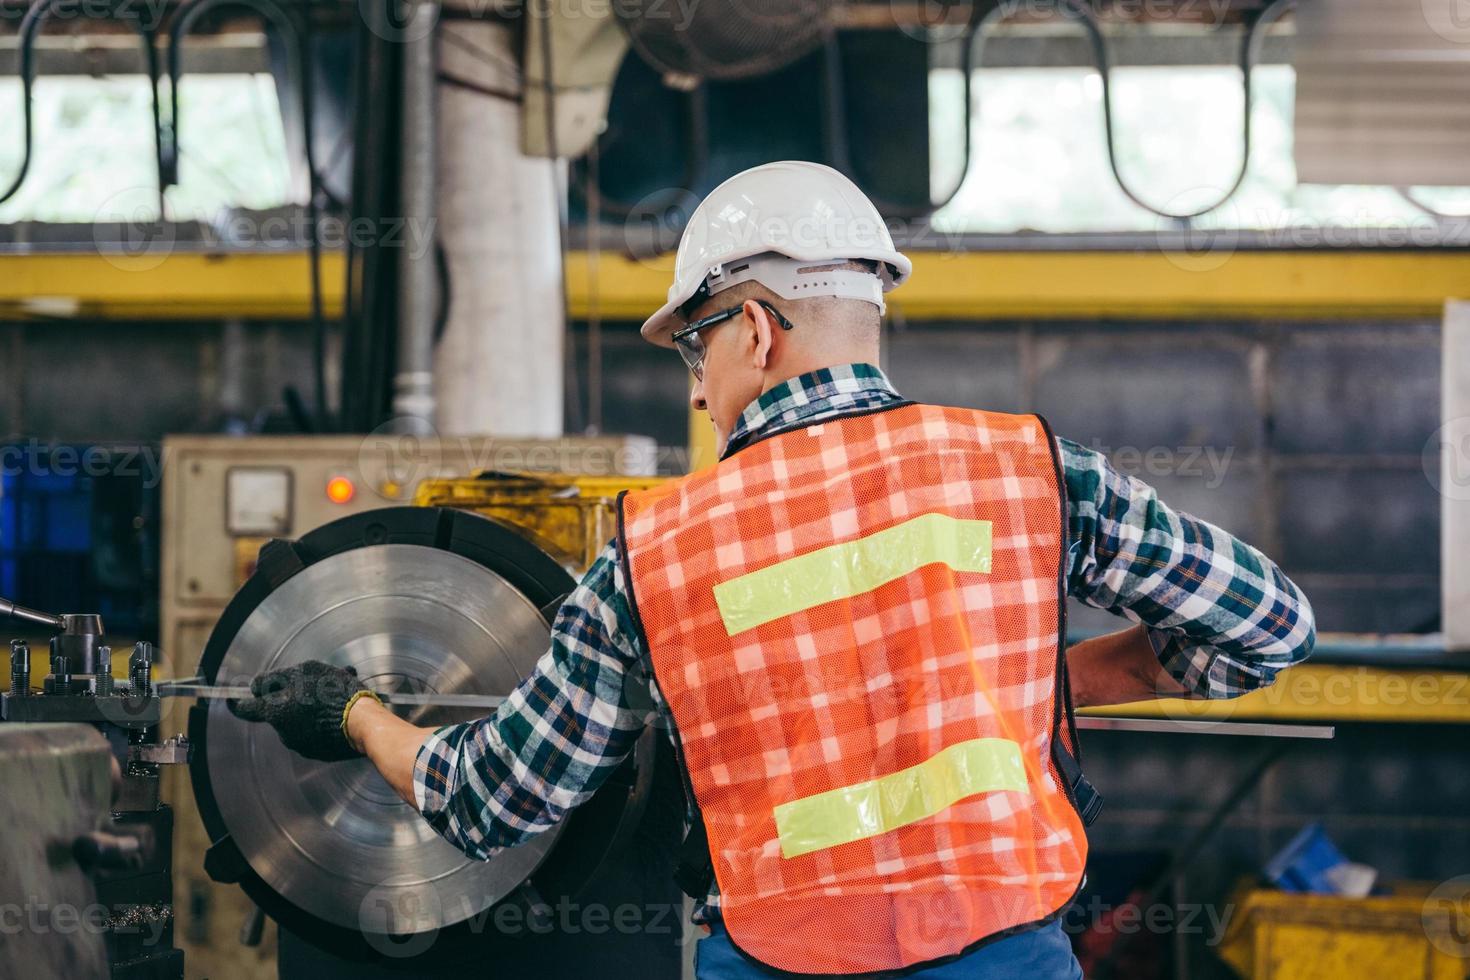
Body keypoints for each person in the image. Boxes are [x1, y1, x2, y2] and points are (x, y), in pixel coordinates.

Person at [231, 161, 1315, 977]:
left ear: (754, 327)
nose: (698, 394)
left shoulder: (658, 543)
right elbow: (1268, 626)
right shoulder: (1029, 468)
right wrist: (1051, 679)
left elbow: (495, 796)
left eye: (695, 352)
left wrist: (358, 713)